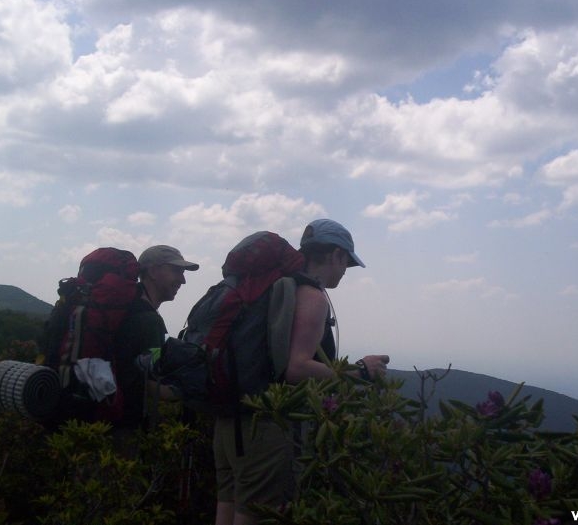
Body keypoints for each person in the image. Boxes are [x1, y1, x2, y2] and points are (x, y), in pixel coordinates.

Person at [213, 219, 390, 525]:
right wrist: (360, 372)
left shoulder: (272, 289)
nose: (346, 270)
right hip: (266, 426)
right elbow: (296, 368)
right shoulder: (311, 296)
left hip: (231, 418)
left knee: (228, 507)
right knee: (258, 513)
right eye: (346, 261)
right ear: (335, 255)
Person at [114, 245, 200, 431]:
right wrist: (188, 390)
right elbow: (146, 380)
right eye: (176, 270)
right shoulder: (148, 320)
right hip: (122, 425)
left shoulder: (129, 307)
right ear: (153, 271)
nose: (182, 280)